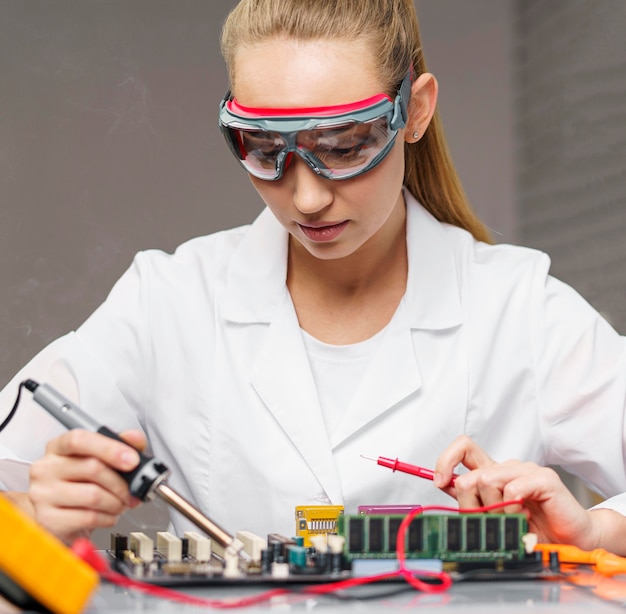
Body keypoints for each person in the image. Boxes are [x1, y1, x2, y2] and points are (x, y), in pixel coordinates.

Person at [1, 0, 626, 554]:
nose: (304, 197)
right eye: (264, 147)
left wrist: (594, 533)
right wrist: (34, 512)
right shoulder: (167, 303)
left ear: (417, 110)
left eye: (345, 144)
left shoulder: (521, 309)